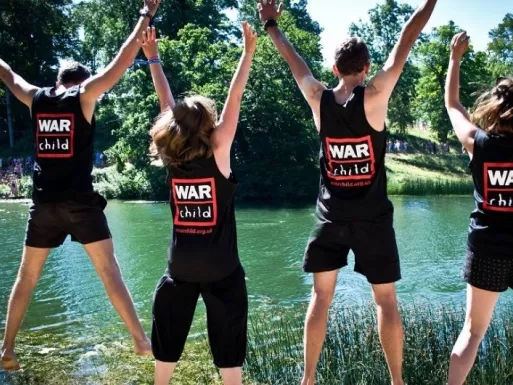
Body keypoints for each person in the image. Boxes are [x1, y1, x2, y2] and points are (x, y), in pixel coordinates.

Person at [257, 1, 438, 384]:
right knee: (385, 301)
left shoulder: (317, 99)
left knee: (320, 299)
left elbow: (295, 62)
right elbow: (407, 38)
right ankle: (397, 381)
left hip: (331, 218)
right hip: (372, 219)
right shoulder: (375, 96)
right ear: (366, 68)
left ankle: (307, 380)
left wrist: (272, 25)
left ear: (335, 69)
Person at [0, 0, 162, 371]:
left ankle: (7, 350)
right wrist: (145, 13)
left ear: (58, 81)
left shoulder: (36, 99)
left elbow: (8, 74)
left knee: (26, 277)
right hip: (79, 204)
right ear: (81, 82)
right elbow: (122, 59)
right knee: (110, 273)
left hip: (43, 205)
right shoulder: (85, 96)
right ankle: (140, 341)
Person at [138, 22, 257, 385]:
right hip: (222, 270)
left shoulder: (171, 155)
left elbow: (166, 104)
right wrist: (248, 52)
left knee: (165, 353)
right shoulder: (219, 150)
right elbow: (234, 97)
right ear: (209, 121)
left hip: (181, 270)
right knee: (229, 356)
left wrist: (153, 58)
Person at [445, 31, 513, 385]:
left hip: (486, 249)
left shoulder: (477, 144)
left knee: (472, 332)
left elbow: (453, 105)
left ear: (494, 105)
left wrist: (455, 58)